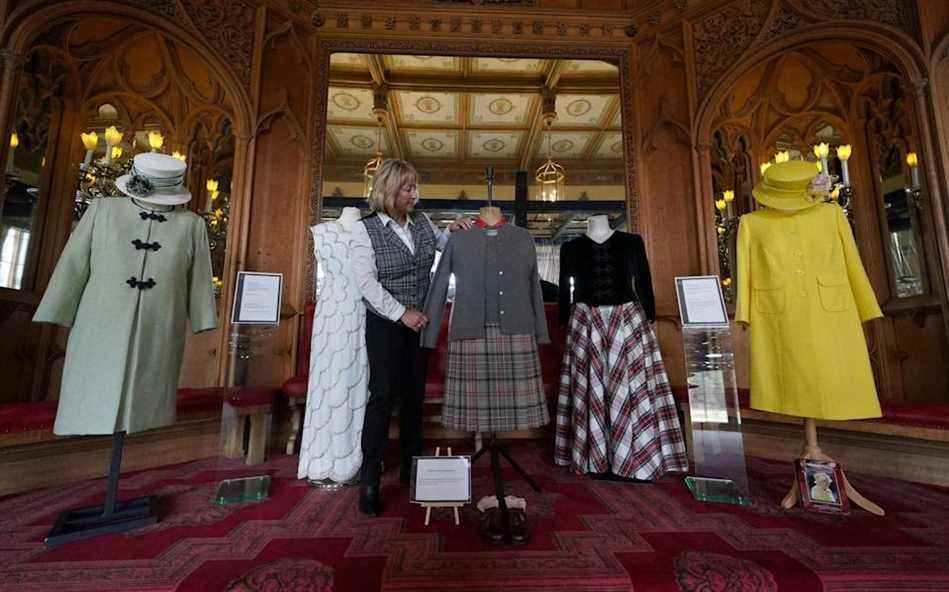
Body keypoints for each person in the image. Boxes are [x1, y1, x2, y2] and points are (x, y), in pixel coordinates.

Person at [350, 158, 471, 516]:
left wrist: (456, 230)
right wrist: (402, 313)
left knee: (414, 398)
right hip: (386, 323)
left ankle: (413, 469)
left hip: (420, 324)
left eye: (415, 187)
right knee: (382, 396)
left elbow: (441, 245)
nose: (414, 195)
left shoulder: (421, 222)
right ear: (389, 190)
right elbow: (366, 284)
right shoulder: (364, 228)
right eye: (408, 188)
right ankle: (370, 476)